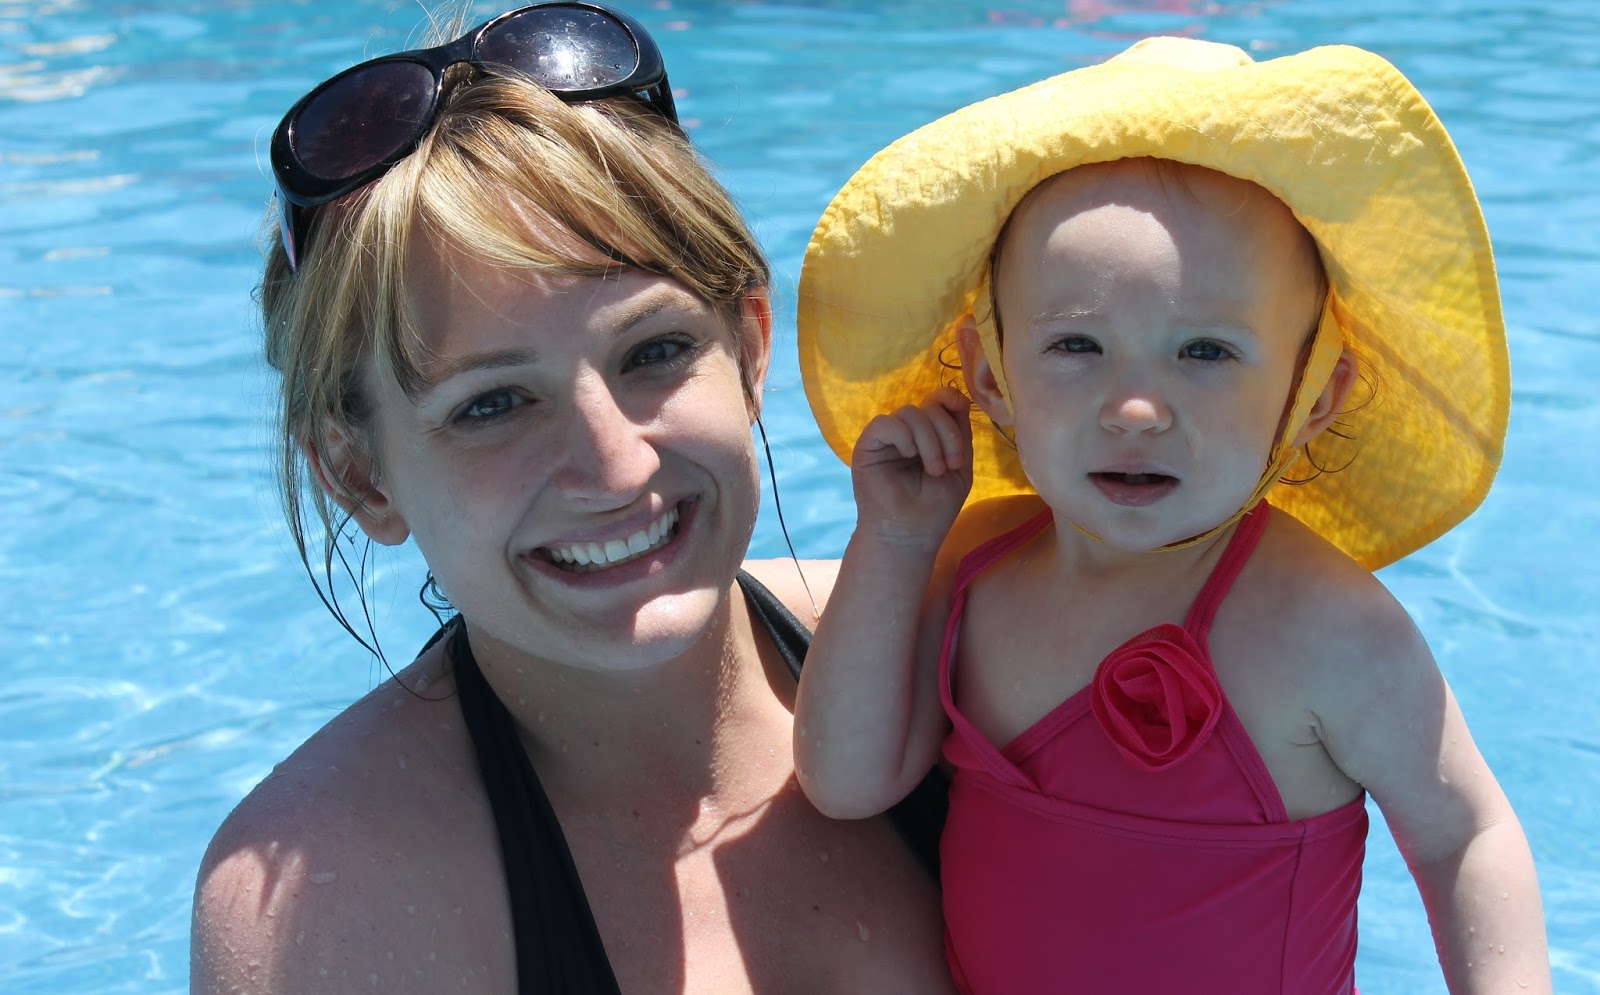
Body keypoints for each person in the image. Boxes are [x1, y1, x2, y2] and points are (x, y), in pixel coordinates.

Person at [190, 4, 956, 992]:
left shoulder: (957, 647)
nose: (616, 467)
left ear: (750, 347)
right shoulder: (327, 904)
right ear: (359, 474)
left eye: (655, 350)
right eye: (493, 403)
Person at [792, 36, 1550, 994]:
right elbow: (845, 780)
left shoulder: (1329, 629)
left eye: (1205, 352)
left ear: (1312, 395)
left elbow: (1463, 834)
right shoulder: (972, 566)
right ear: (991, 376)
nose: (1136, 409)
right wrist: (895, 541)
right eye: (1077, 345)